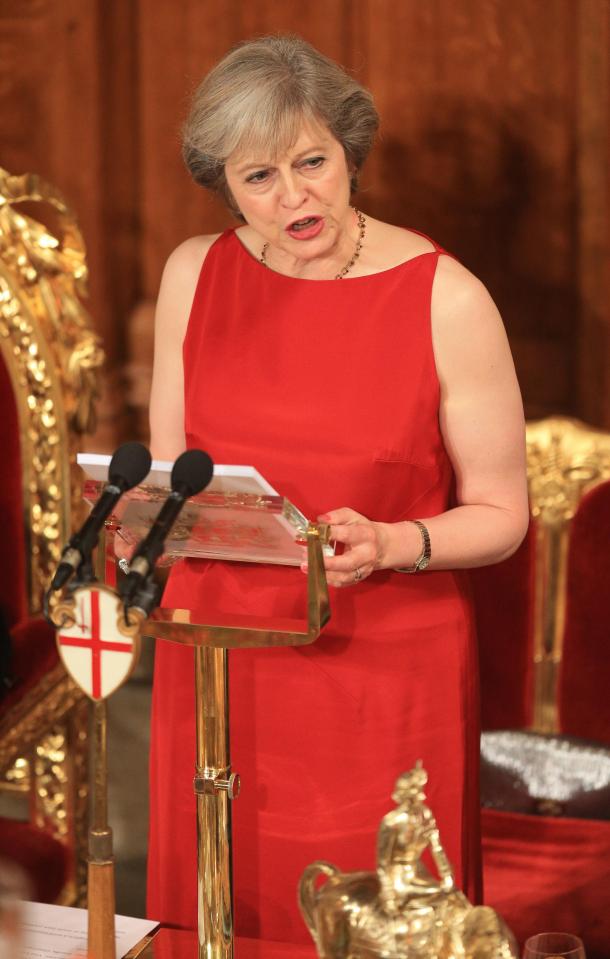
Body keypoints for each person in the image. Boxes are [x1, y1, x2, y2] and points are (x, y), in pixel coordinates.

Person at [146, 35, 528, 944]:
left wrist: (397, 541)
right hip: (218, 662)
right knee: (222, 912)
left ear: (349, 151)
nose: (294, 197)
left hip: (382, 666)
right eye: (259, 177)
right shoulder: (193, 274)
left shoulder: (448, 298)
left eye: (312, 162)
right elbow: (168, 485)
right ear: (224, 184)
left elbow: (504, 515)